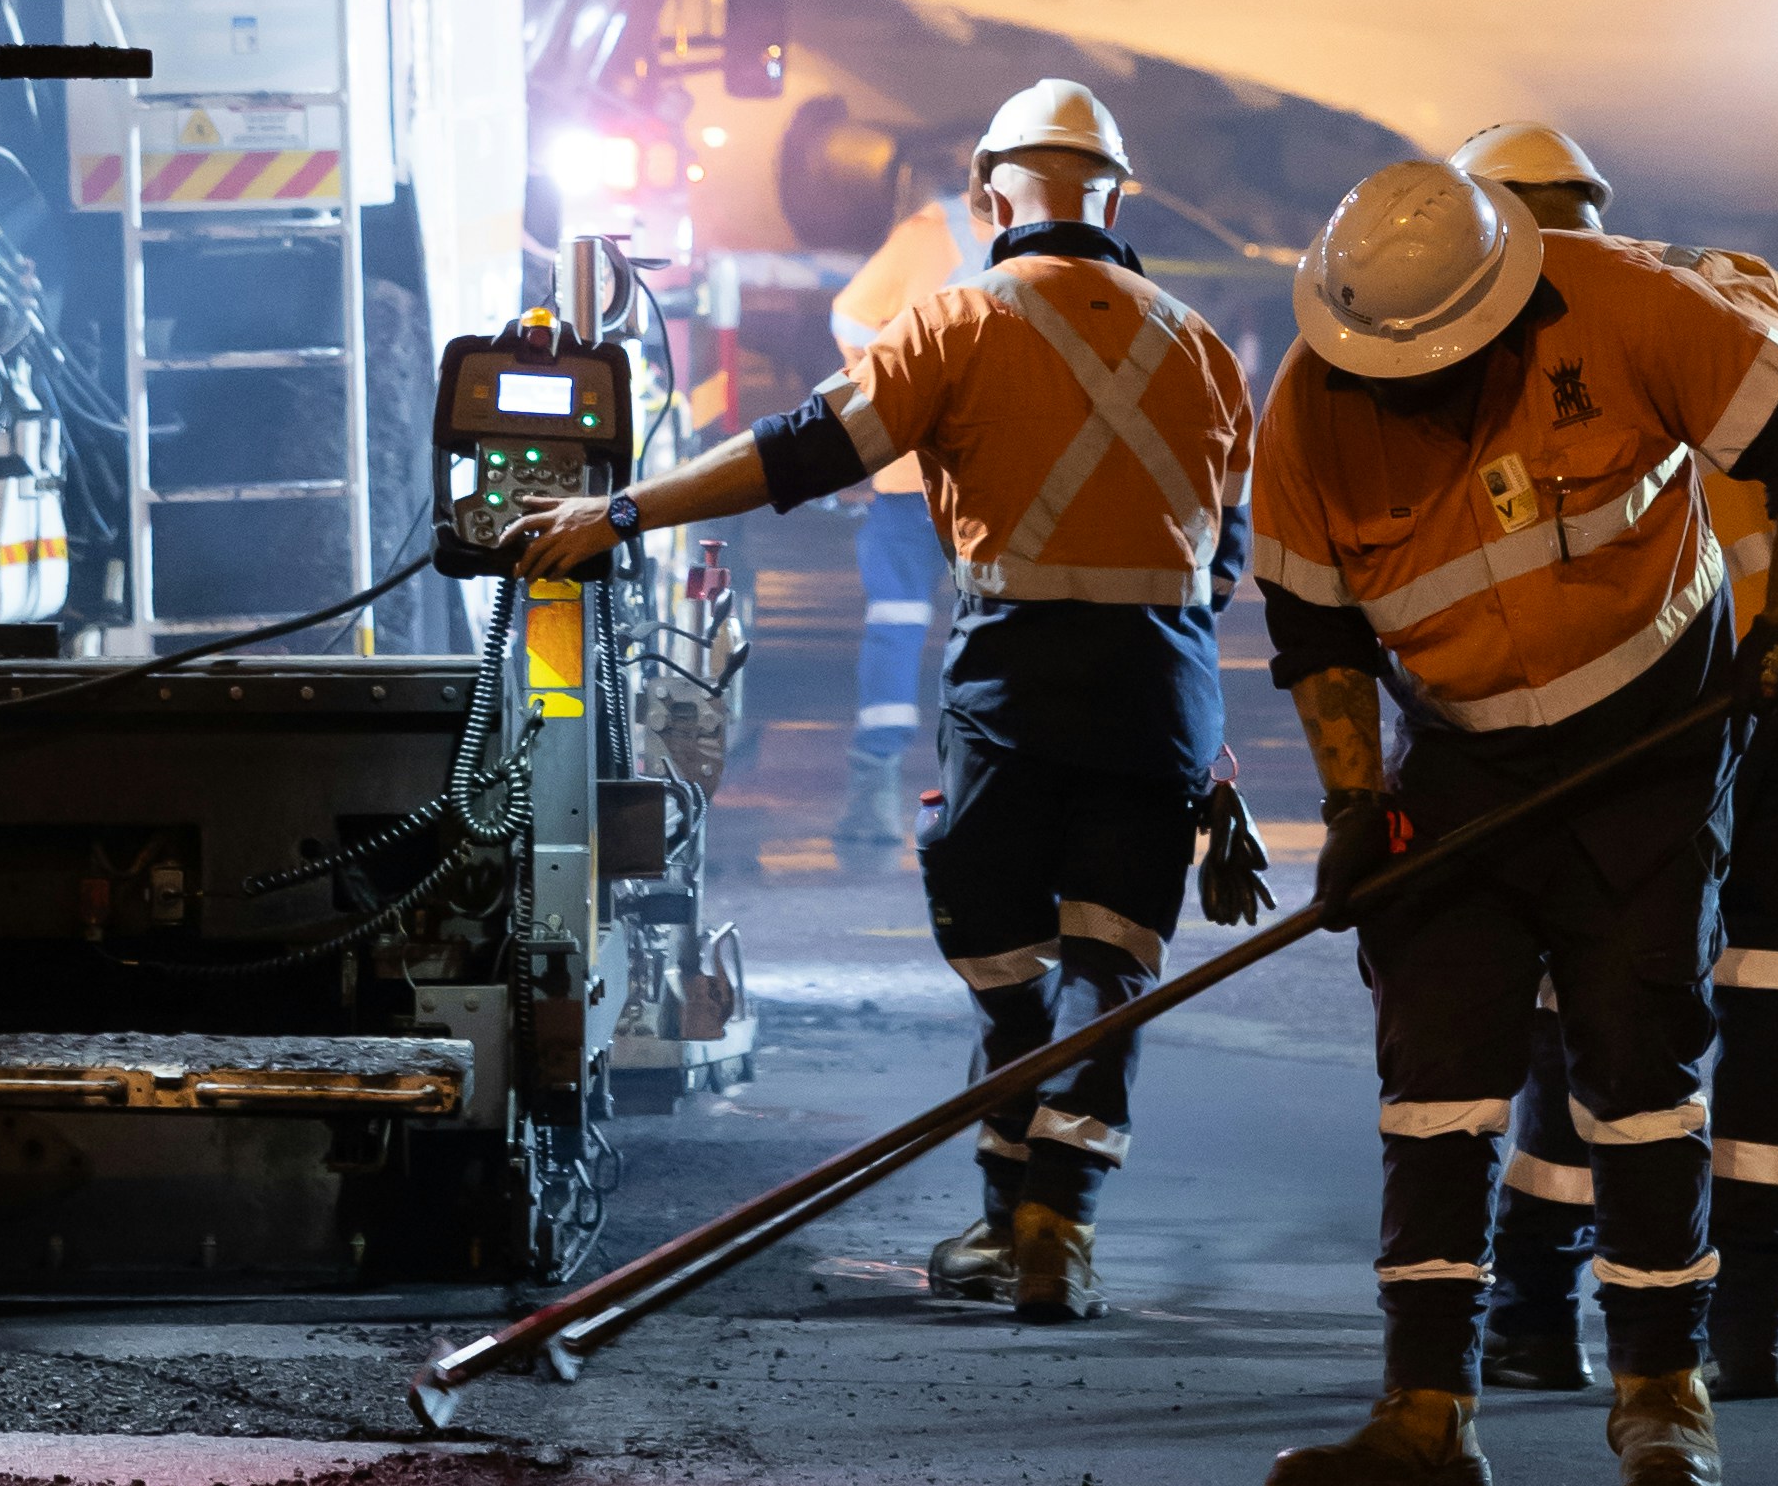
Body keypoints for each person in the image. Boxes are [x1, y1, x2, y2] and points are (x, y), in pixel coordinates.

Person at [513, 71, 1252, 1323]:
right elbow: (1218, 566)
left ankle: (1024, 1210)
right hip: (1162, 694)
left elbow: (797, 453)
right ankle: (1047, 1225)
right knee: (1111, 962)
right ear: (1118, 193)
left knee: (1005, 954)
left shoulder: (955, 323)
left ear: (985, 190)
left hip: (1019, 687)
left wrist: (621, 509)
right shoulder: (1204, 349)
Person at [1247, 151, 1778, 1486]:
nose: (1401, 393)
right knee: (1436, 1086)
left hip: (1638, 750)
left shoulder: (1623, 307)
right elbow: (1314, 627)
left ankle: (1661, 1401)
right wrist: (1353, 805)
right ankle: (1424, 1415)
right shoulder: (1307, 397)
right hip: (1455, 761)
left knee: (1635, 1074)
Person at [1452, 112, 1778, 1402]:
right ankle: (1752, 1327)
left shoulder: (1515, 327)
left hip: (1657, 692)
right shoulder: (1747, 283)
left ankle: (1537, 1312)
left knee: (1596, 996)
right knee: (1776, 993)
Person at [827, 153, 985, 874]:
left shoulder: (932, 232)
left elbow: (851, 316)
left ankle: (874, 791)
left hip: (909, 474)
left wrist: (891, 392)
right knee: (993, 634)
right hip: (990, 483)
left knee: (897, 625)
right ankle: (978, 790)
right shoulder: (1047, 243)